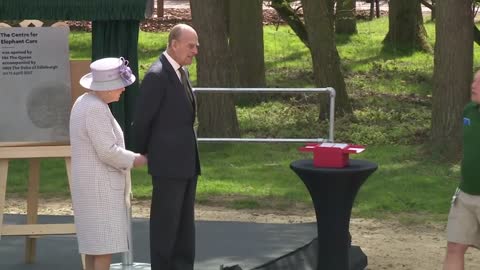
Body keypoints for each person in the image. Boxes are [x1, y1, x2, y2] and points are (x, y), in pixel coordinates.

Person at [133, 23, 201, 270]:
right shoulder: (157, 75)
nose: (195, 51)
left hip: (186, 163)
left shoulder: (181, 72)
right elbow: (142, 120)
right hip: (167, 165)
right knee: (165, 226)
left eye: (196, 46)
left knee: (184, 226)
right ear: (174, 44)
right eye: (190, 46)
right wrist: (144, 152)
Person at [70, 57, 147, 270]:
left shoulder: (84, 102)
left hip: (89, 188)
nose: (123, 89)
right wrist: (136, 159)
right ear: (107, 87)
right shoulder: (95, 108)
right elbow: (107, 151)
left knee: (93, 247)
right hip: (99, 189)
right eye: (120, 85)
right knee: (103, 247)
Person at [443, 71, 480, 270]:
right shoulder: (469, 112)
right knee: (455, 246)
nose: (473, 85)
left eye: (479, 82)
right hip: (465, 193)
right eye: (473, 80)